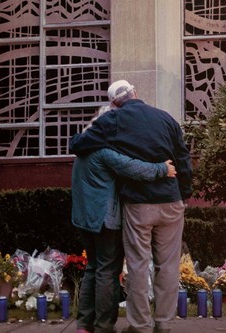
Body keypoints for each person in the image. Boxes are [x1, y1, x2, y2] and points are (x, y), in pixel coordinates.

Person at [70, 80, 193, 333]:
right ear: (136, 93)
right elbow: (183, 158)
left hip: (138, 204)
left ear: (114, 103)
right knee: (168, 266)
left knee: (137, 266)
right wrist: (184, 194)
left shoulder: (112, 120)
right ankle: (165, 323)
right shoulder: (166, 118)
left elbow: (78, 146)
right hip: (171, 201)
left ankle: (139, 326)